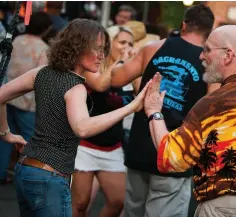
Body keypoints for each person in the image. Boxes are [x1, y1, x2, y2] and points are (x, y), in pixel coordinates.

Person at [0, 19, 149, 217]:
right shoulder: (75, 86)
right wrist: (131, 107)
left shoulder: (41, 73)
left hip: (25, 170)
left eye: (104, 49)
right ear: (77, 47)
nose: (101, 56)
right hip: (49, 177)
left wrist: (6, 133)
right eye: (96, 49)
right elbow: (83, 128)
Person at [143, 25, 236, 216]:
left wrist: (154, 111)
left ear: (228, 55)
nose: (201, 56)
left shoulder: (213, 105)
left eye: (207, 50)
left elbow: (172, 157)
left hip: (223, 208)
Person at [110, 4, 217, 217]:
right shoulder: (209, 64)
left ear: (184, 24)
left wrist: (121, 59)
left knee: (133, 212)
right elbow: (212, 112)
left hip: (140, 147)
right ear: (209, 33)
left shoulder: (154, 48)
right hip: (175, 156)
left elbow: (116, 78)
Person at [72, 25, 136, 217]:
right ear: (110, 43)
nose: (126, 46)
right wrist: (120, 61)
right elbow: (100, 85)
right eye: (122, 42)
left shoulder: (127, 68)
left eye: (130, 44)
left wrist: (134, 65)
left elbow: (140, 90)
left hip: (112, 146)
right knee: (81, 203)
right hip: (86, 144)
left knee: (118, 202)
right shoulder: (93, 66)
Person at [0, 12, 52, 185]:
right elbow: (39, 79)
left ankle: (1, 173)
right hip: (27, 102)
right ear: (45, 29)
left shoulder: (17, 40)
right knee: (30, 141)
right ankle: (28, 178)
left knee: (6, 136)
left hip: (8, 96)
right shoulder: (44, 48)